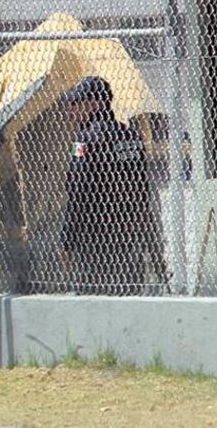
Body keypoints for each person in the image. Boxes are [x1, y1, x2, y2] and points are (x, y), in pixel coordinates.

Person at [59, 76, 165, 296]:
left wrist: (66, 239)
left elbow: (77, 191)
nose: (70, 111)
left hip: (94, 239)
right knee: (128, 297)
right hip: (128, 234)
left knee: (91, 302)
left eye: (75, 103)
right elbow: (143, 189)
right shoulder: (131, 135)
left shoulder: (85, 139)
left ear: (93, 103)